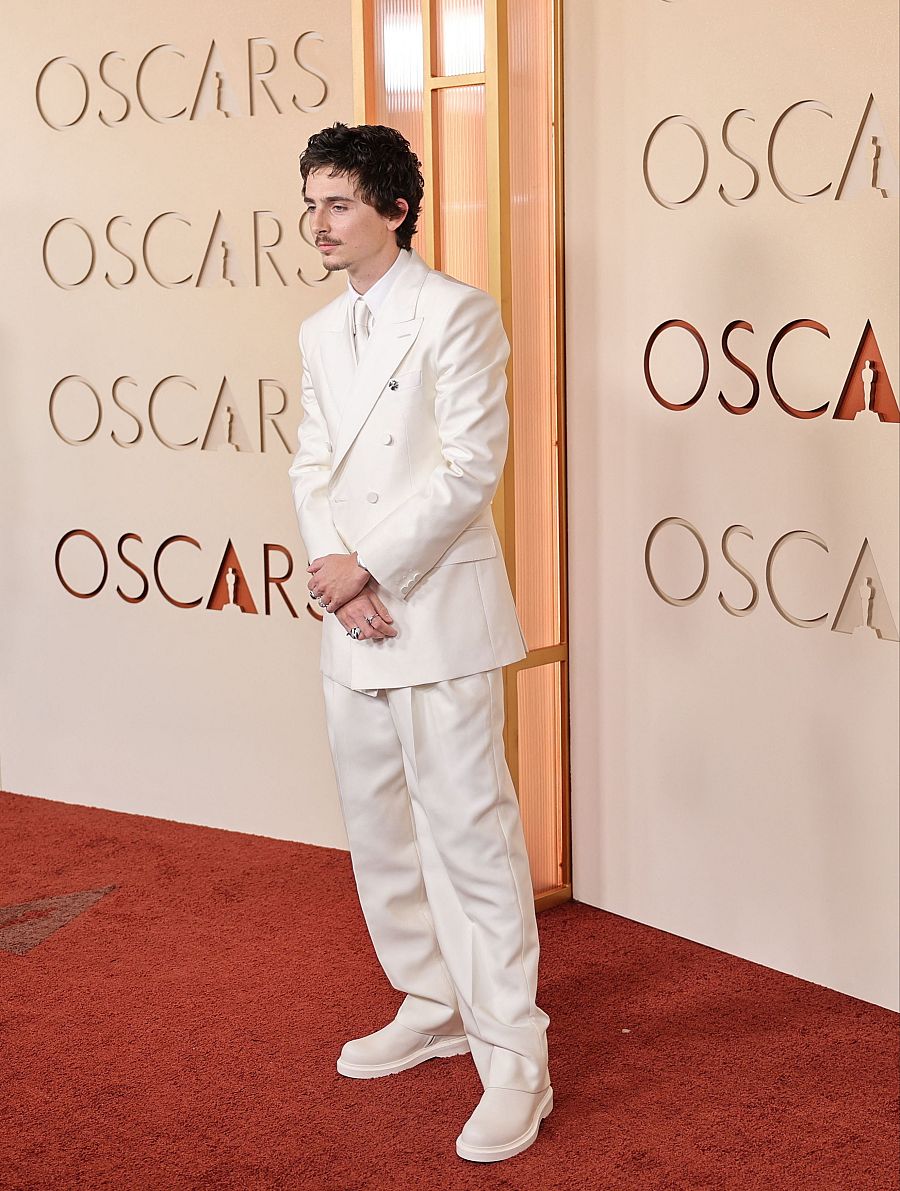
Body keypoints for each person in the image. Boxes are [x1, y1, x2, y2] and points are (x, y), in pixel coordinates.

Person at [289, 122, 552, 1164]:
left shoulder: (458, 314)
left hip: (433, 609)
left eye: (339, 202)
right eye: (311, 202)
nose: (319, 222)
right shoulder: (319, 331)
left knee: (469, 831)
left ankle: (514, 1053)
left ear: (397, 207)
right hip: (353, 614)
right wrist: (336, 573)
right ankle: (431, 1000)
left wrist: (373, 568)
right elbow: (312, 462)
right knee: (378, 825)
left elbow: (470, 467)